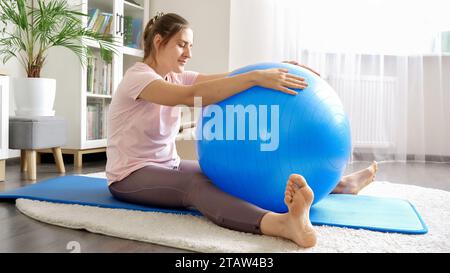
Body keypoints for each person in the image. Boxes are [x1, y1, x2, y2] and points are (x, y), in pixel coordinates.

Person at [106, 12, 378, 248]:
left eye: (190, 46)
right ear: (158, 42)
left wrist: (276, 68)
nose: (189, 53)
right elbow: (193, 95)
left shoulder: (174, 75)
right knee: (195, 185)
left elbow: (227, 78)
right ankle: (281, 225)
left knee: (226, 174)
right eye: (181, 45)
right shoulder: (138, 78)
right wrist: (256, 77)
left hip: (168, 164)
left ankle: (337, 184)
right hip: (130, 175)